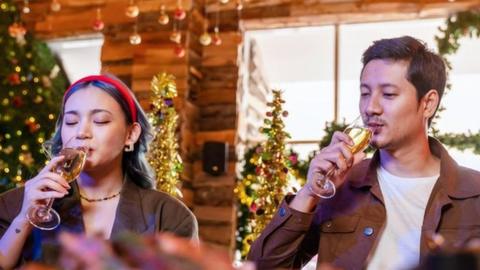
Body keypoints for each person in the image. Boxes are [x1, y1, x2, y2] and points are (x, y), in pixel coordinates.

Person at [248, 36, 480, 270]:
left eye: (388, 94)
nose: (371, 108)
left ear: (428, 103)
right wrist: (309, 193)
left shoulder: (474, 194)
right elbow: (261, 267)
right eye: (365, 93)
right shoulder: (340, 185)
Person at [0, 75, 198, 269]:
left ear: (131, 134)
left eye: (100, 121)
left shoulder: (171, 216)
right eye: (71, 122)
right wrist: (24, 218)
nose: (81, 132)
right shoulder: (11, 205)